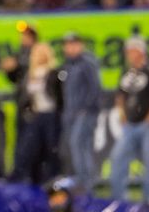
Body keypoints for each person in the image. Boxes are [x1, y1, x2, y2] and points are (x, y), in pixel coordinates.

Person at [109, 37, 149, 204]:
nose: (129, 55)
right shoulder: (126, 72)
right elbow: (120, 96)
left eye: (132, 51)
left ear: (141, 52)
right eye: (127, 51)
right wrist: (123, 116)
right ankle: (119, 199)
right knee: (117, 158)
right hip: (130, 125)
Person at [10, 41, 62, 185]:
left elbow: (59, 95)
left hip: (50, 114)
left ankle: (52, 179)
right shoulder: (30, 74)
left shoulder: (54, 73)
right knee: (28, 148)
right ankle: (28, 179)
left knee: (51, 149)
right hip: (36, 115)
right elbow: (22, 92)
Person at [61, 32, 102, 194]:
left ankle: (86, 183)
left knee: (80, 145)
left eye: (73, 44)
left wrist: (86, 109)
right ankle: (83, 182)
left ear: (81, 45)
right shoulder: (68, 65)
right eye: (67, 44)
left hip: (84, 113)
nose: (70, 48)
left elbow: (95, 88)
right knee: (79, 146)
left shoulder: (87, 63)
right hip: (72, 113)